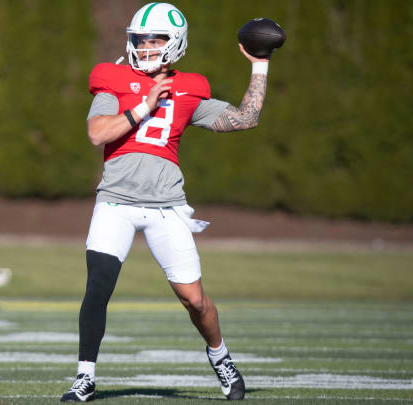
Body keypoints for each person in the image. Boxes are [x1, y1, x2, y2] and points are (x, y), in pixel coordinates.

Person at [61, 2, 271, 402]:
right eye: (140, 39)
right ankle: (85, 376)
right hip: (116, 202)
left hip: (166, 206)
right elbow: (97, 133)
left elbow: (245, 118)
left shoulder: (191, 87)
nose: (145, 46)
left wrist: (259, 65)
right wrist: (144, 105)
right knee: (98, 285)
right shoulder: (113, 78)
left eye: (155, 39)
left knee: (194, 299)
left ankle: (220, 356)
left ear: (175, 44)